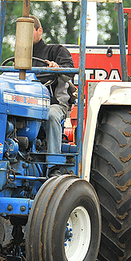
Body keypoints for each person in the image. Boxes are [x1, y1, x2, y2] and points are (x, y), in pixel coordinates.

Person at [30, 15, 74, 156]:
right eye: (21, 32)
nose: (24, 36)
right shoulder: (19, 58)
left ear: (39, 31)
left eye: (28, 31)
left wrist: (57, 68)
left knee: (51, 115)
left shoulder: (56, 51)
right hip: (27, 103)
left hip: (53, 103)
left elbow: (69, 74)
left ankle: (53, 162)